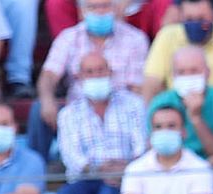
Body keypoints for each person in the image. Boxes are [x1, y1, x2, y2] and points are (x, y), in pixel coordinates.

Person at [31, 0, 151, 162]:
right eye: (93, 7)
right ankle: (39, 167)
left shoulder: (135, 39)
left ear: (116, 9)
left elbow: (137, 88)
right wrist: (47, 99)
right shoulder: (68, 38)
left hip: (121, 110)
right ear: (81, 12)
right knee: (39, 108)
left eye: (105, 6)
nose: (100, 11)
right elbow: (49, 76)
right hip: (76, 109)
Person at [47, 51, 148, 194]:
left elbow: (142, 146)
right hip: (86, 178)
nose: (96, 76)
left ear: (111, 73)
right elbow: (71, 156)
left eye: (101, 70)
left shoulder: (134, 105)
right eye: (90, 72)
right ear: (79, 77)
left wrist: (125, 168)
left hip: (126, 176)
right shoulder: (69, 114)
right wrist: (99, 170)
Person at [119, 103, 213, 194]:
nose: (164, 131)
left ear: (183, 132)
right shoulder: (135, 169)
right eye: (158, 127)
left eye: (171, 126)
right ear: (151, 133)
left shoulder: (200, 167)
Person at [143, 0, 213, 102]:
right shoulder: (166, 36)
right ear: (181, 16)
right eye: (189, 19)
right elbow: (151, 83)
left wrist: (207, 106)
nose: (195, 24)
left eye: (201, 19)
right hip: (176, 108)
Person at [147, 46, 213, 161]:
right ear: (173, 76)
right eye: (181, 72)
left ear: (208, 73)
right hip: (173, 169)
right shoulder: (159, 103)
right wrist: (202, 166)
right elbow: (155, 151)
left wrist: (196, 118)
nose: (188, 77)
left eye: (194, 71)